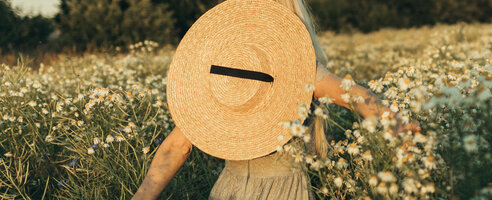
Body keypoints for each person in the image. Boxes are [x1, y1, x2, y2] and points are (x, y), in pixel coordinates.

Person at [131, 0, 420, 199]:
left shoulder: (296, 69)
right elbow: (357, 97)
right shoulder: (242, 65)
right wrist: (400, 129)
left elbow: (176, 147)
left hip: (238, 191)